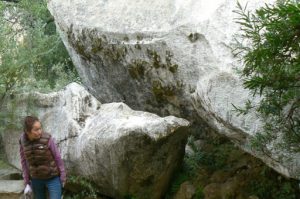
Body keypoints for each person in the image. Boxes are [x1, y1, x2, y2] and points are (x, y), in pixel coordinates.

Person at [19, 116, 66, 199]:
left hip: (52, 178)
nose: (40, 132)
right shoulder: (22, 141)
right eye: (36, 130)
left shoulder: (48, 138)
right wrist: (27, 182)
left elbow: (57, 157)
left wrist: (62, 176)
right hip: (36, 179)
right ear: (27, 131)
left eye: (40, 128)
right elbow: (24, 162)